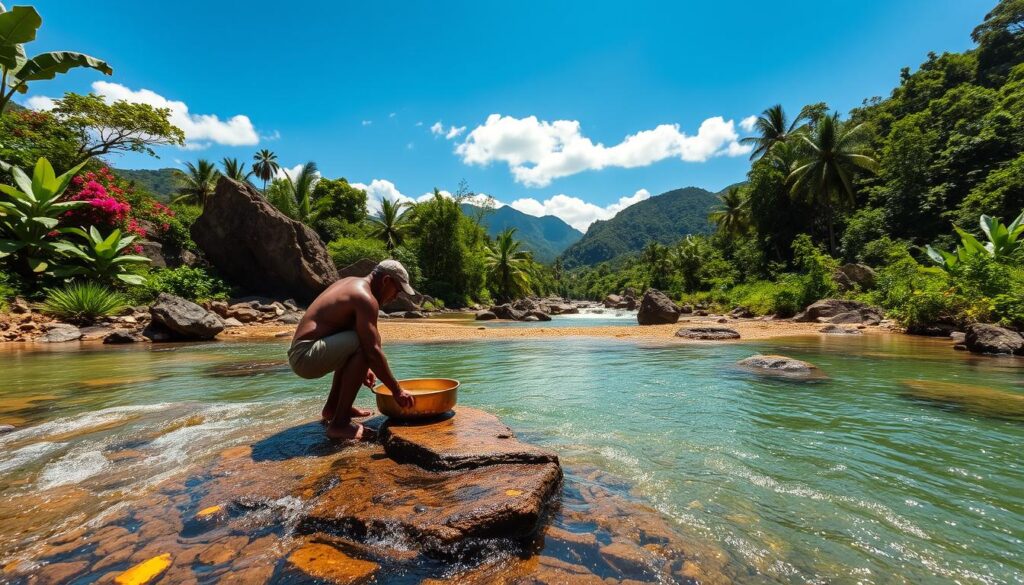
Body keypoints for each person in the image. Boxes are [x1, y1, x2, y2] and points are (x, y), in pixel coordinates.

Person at [288, 260, 416, 440]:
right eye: (398, 290)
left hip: (302, 352)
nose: (396, 296)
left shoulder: (351, 283)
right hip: (305, 356)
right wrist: (397, 391)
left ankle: (333, 409)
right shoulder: (365, 297)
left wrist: (366, 367)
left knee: (361, 342)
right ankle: (339, 424)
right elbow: (371, 350)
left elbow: (346, 333)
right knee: (366, 344)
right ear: (386, 280)